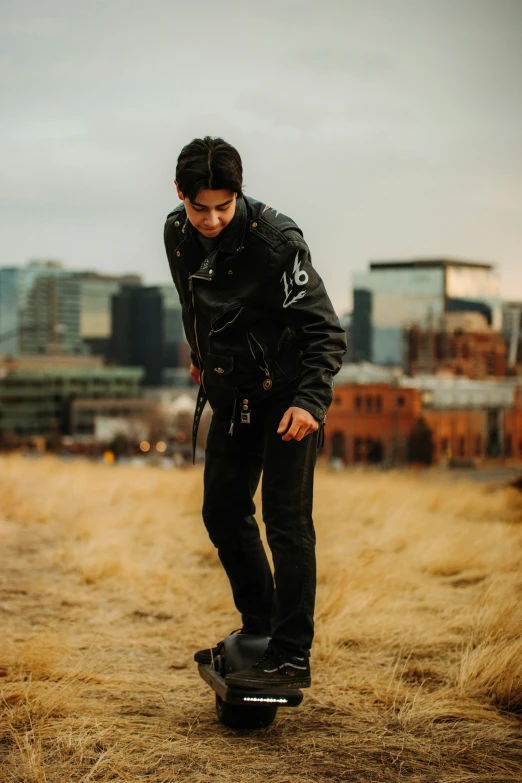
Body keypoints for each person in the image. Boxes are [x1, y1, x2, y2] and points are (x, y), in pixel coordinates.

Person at [164, 137, 346, 689]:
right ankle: (261, 627)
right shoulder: (176, 233)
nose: (213, 219)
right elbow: (193, 304)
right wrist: (204, 361)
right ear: (181, 195)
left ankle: (290, 655)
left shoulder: (276, 243)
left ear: (238, 194)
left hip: (289, 395)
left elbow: (325, 333)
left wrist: (310, 401)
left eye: (224, 206)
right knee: (222, 511)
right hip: (235, 393)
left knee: (287, 524)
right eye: (201, 208)